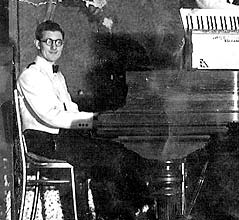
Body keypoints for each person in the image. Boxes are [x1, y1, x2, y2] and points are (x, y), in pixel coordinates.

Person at [17, 20, 152, 220]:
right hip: (44, 141)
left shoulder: (57, 75)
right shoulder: (30, 76)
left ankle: (128, 211)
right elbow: (52, 117)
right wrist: (93, 120)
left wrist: (98, 118)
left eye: (59, 42)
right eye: (49, 42)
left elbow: (70, 109)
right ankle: (123, 213)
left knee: (121, 153)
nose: (54, 47)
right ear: (38, 44)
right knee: (111, 157)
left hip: (62, 138)